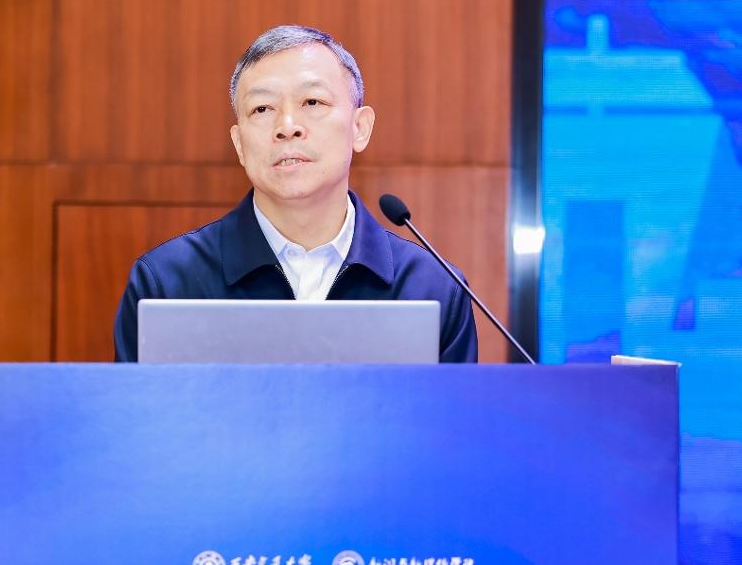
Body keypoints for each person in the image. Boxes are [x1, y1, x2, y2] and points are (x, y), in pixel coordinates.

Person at [113, 24, 478, 363]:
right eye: (262, 108)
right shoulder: (165, 283)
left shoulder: (432, 289)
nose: (287, 127)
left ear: (360, 128)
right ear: (239, 144)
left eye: (312, 102)